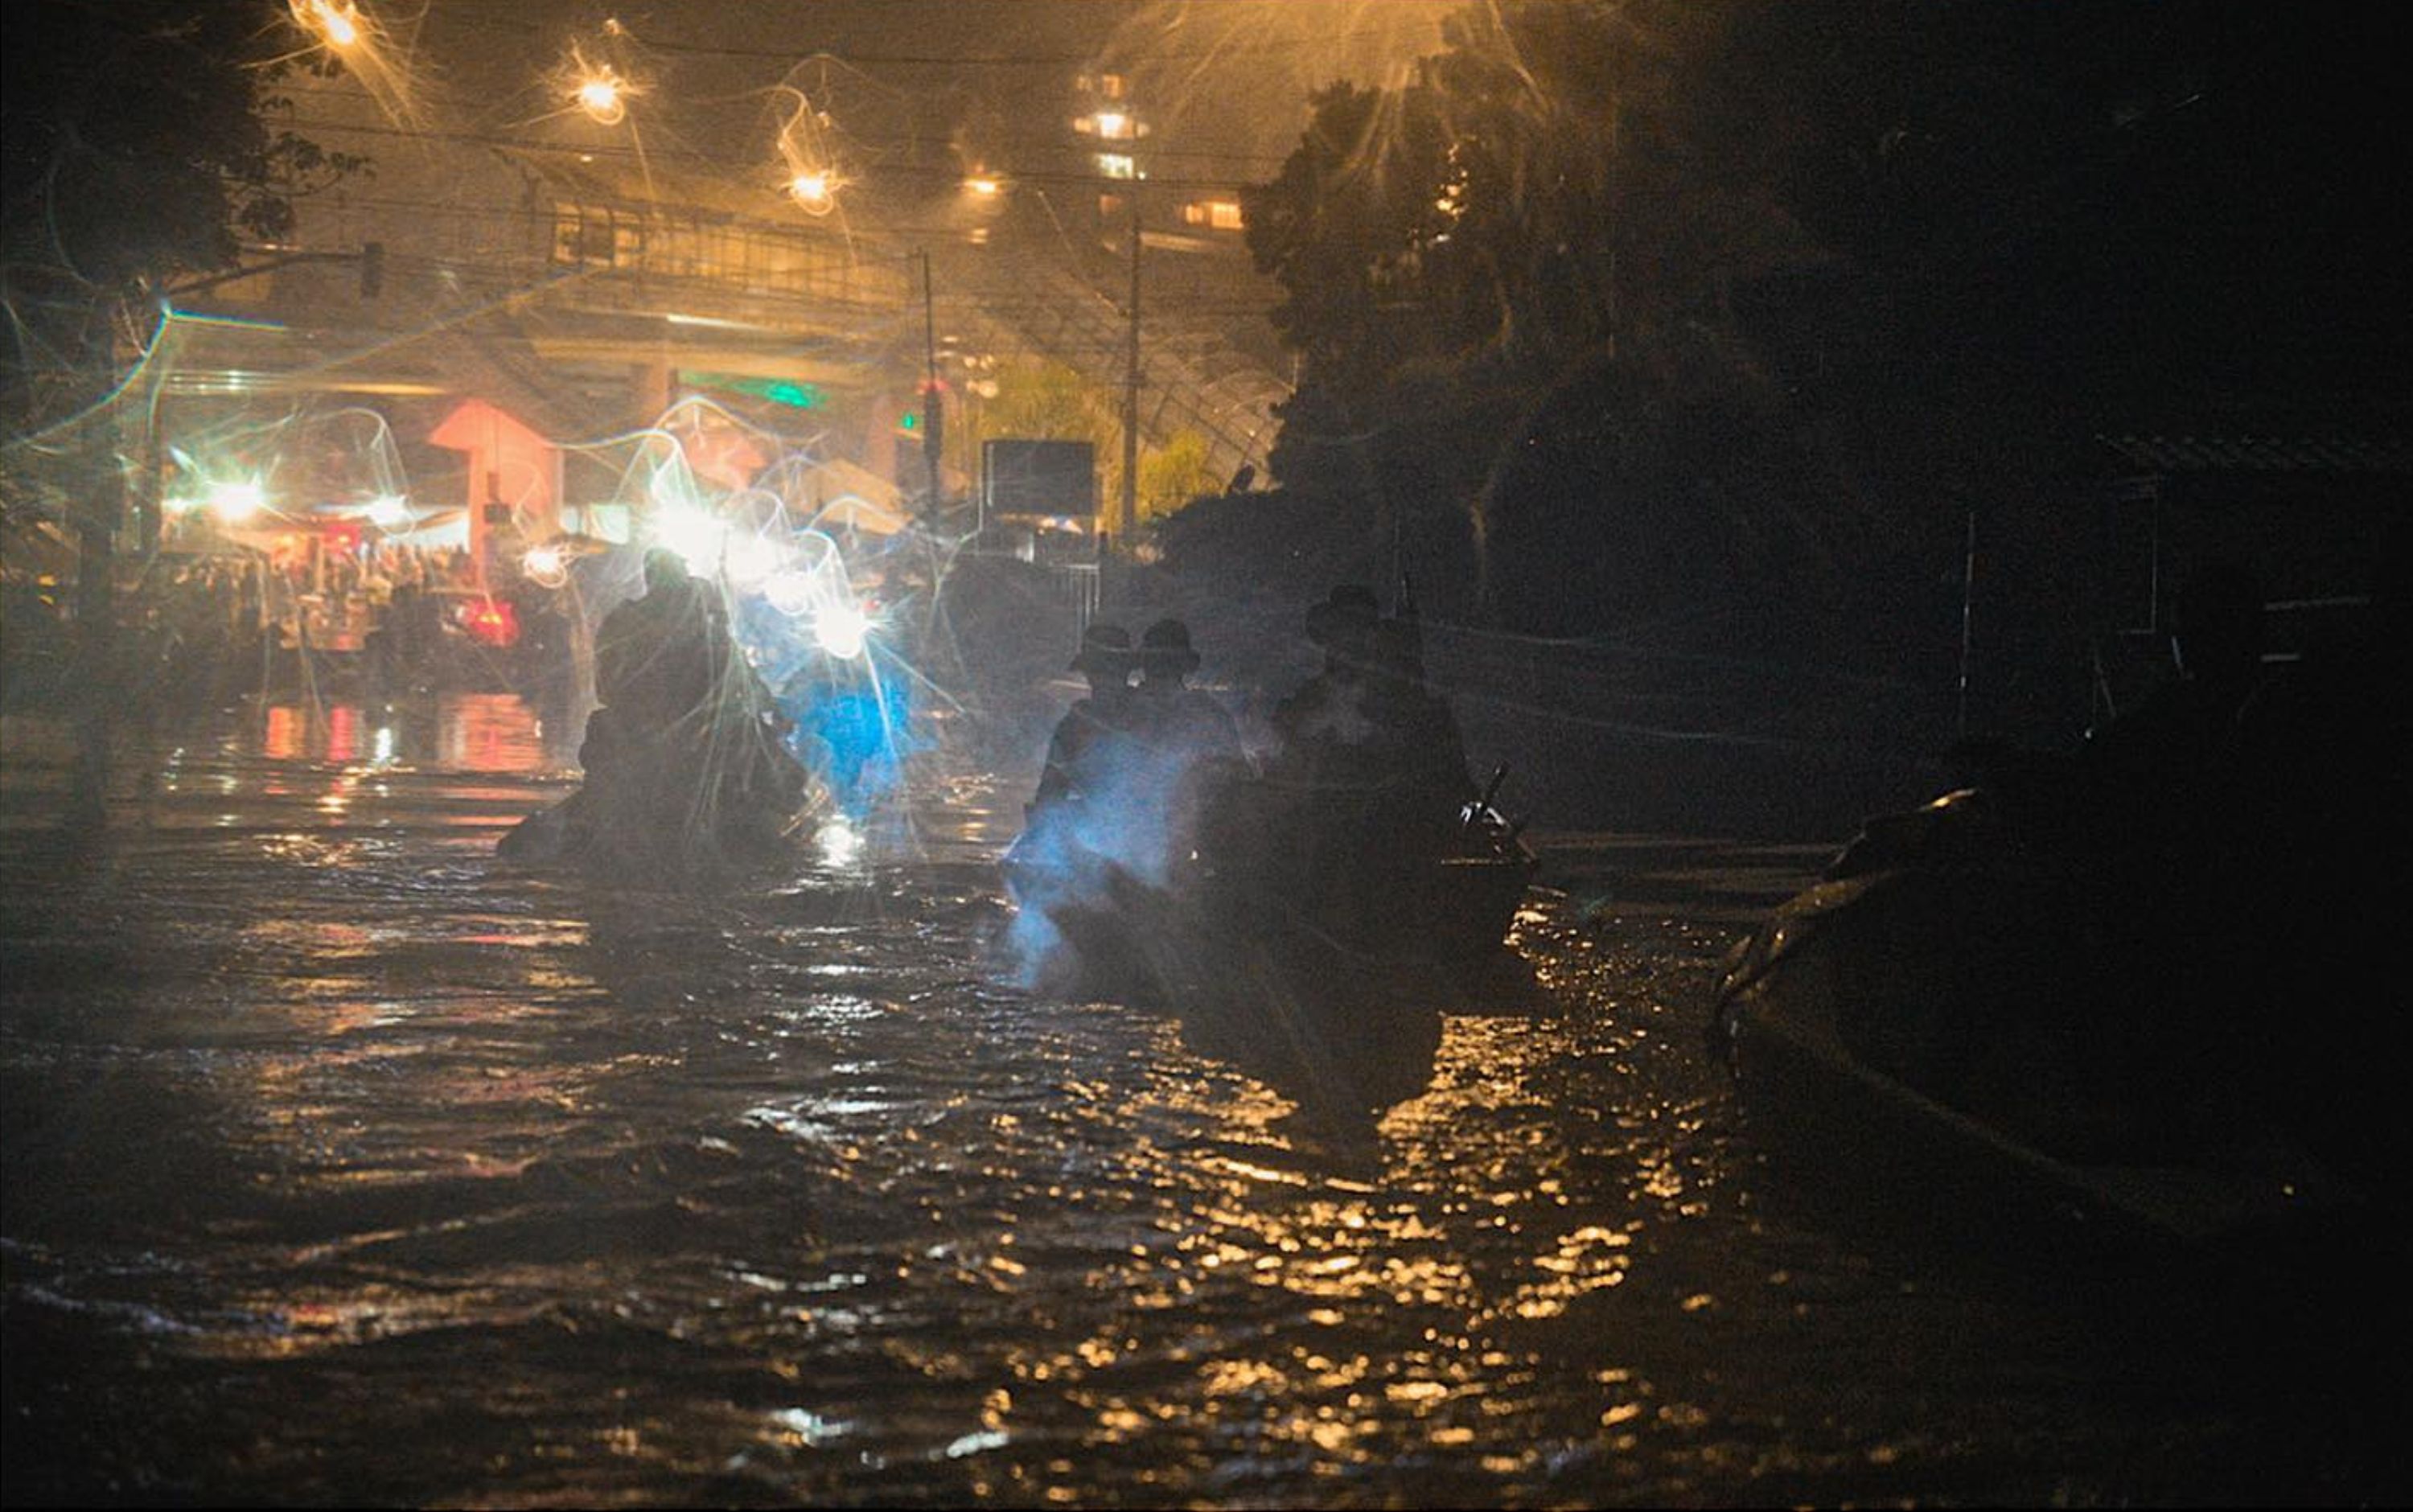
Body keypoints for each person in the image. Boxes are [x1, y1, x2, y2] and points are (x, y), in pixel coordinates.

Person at [1030, 620, 1137, 812]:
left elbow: (1050, 795)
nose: (1103, 679)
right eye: (1099, 671)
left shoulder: (1148, 717)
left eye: (1110, 671)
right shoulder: (1074, 725)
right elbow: (1050, 794)